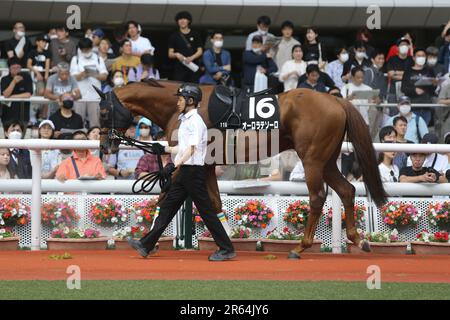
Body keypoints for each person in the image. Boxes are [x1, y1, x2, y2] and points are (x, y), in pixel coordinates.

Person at [128, 83, 235, 261]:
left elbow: (192, 149)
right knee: (168, 207)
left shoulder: (195, 121)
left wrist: (173, 165)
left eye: (180, 99)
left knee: (206, 211)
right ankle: (146, 244)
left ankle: (226, 248)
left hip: (192, 172)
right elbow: (183, 147)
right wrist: (164, 149)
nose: (177, 102)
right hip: (186, 170)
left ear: (191, 101)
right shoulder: (186, 120)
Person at [70, 37, 108, 128]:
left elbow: (104, 76)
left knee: (95, 124)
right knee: (78, 123)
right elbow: (72, 77)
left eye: (87, 49)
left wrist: (93, 74)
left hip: (94, 97)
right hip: (80, 97)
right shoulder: (76, 59)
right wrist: (83, 74)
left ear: (91, 48)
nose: (85, 51)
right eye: (83, 50)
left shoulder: (98, 59)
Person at [401, 48, 436, 125]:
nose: (421, 57)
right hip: (413, 106)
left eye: (423, 56)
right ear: (414, 58)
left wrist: (435, 83)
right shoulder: (408, 71)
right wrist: (414, 90)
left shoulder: (429, 70)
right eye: (419, 55)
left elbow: (433, 89)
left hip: (426, 106)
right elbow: (403, 88)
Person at [168, 11, 203, 82]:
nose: (182, 21)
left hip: (193, 66)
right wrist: (177, 54)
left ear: (188, 21)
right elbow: (170, 54)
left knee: (193, 87)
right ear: (177, 21)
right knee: (179, 88)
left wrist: (192, 57)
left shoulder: (195, 34)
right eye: (180, 19)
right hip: (179, 68)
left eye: (184, 19)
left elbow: (200, 50)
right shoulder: (174, 36)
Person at [0, 58, 33, 125]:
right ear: (9, 68)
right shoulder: (4, 79)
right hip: (8, 113)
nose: (16, 70)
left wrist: (12, 96)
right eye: (13, 68)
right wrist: (14, 82)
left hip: (23, 112)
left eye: (18, 67)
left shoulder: (27, 77)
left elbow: (28, 94)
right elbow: (6, 94)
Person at [386, 37, 414, 102]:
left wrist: (395, 72)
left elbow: (413, 74)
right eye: (402, 45)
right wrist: (406, 75)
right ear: (397, 48)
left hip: (408, 89)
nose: (404, 46)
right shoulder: (392, 59)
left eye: (406, 45)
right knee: (393, 110)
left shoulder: (412, 60)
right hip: (393, 90)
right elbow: (390, 74)